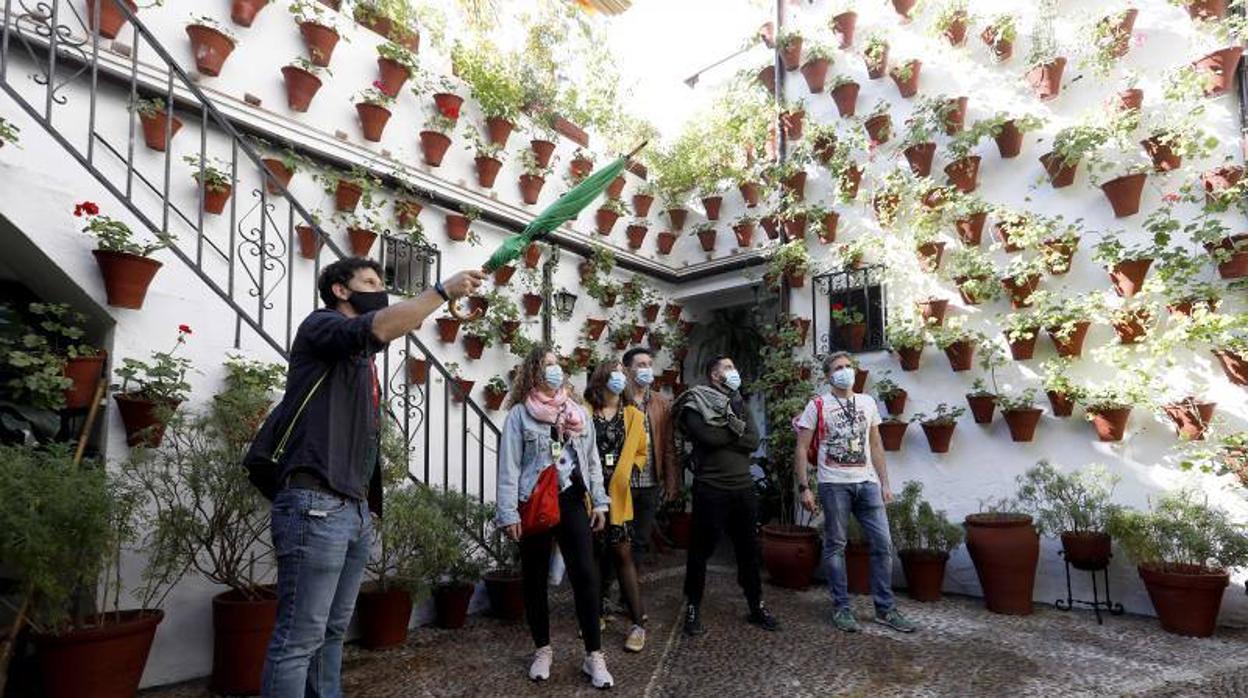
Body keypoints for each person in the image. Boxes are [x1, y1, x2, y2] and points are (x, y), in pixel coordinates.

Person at [254, 258, 486, 696]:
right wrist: (441, 291)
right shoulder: (321, 327)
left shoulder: (360, 357)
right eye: (370, 282)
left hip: (353, 509)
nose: (380, 290)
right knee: (299, 638)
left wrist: (367, 508)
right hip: (315, 504)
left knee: (333, 631)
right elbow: (378, 327)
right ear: (341, 290)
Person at [496, 347, 614, 689]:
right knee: (533, 579)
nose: (554, 370)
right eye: (547, 365)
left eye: (557, 365)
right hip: (533, 502)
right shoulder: (519, 416)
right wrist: (507, 512)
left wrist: (601, 502)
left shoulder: (578, 414)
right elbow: (509, 466)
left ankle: (594, 656)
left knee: (586, 576)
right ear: (533, 373)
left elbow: (591, 461)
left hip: (572, 501)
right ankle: (542, 650)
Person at [795, 351, 917, 634]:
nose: (845, 371)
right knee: (836, 545)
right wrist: (804, 487)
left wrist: (885, 483)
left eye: (849, 366)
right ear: (828, 376)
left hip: (867, 483)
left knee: (883, 544)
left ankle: (885, 609)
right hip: (833, 483)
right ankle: (842, 607)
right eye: (838, 367)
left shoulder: (867, 402)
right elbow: (801, 447)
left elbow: (875, 444)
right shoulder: (817, 405)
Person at [674, 356, 778, 637]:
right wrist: (734, 433)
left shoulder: (738, 403)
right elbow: (707, 438)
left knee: (748, 551)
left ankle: (756, 606)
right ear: (713, 375)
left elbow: (753, 440)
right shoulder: (694, 403)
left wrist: (728, 431)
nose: (734, 372)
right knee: (700, 551)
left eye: (735, 367)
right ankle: (693, 608)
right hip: (711, 488)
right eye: (728, 368)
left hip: (743, 488)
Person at [584, 360, 649, 653]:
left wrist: (630, 470)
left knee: (623, 556)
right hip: (589, 497)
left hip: (619, 497)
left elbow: (641, 452)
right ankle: (594, 614)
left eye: (624, 372)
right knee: (594, 557)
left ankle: (637, 624)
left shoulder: (634, 415)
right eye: (616, 372)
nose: (621, 377)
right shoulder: (584, 412)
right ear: (601, 377)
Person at [621, 347, 677, 559]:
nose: (647, 369)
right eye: (641, 365)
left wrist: (671, 481)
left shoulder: (660, 403)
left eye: (649, 365)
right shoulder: (616, 400)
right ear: (627, 370)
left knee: (640, 541)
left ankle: (631, 587)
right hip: (622, 483)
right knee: (616, 539)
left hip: (649, 483)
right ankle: (606, 586)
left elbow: (669, 445)